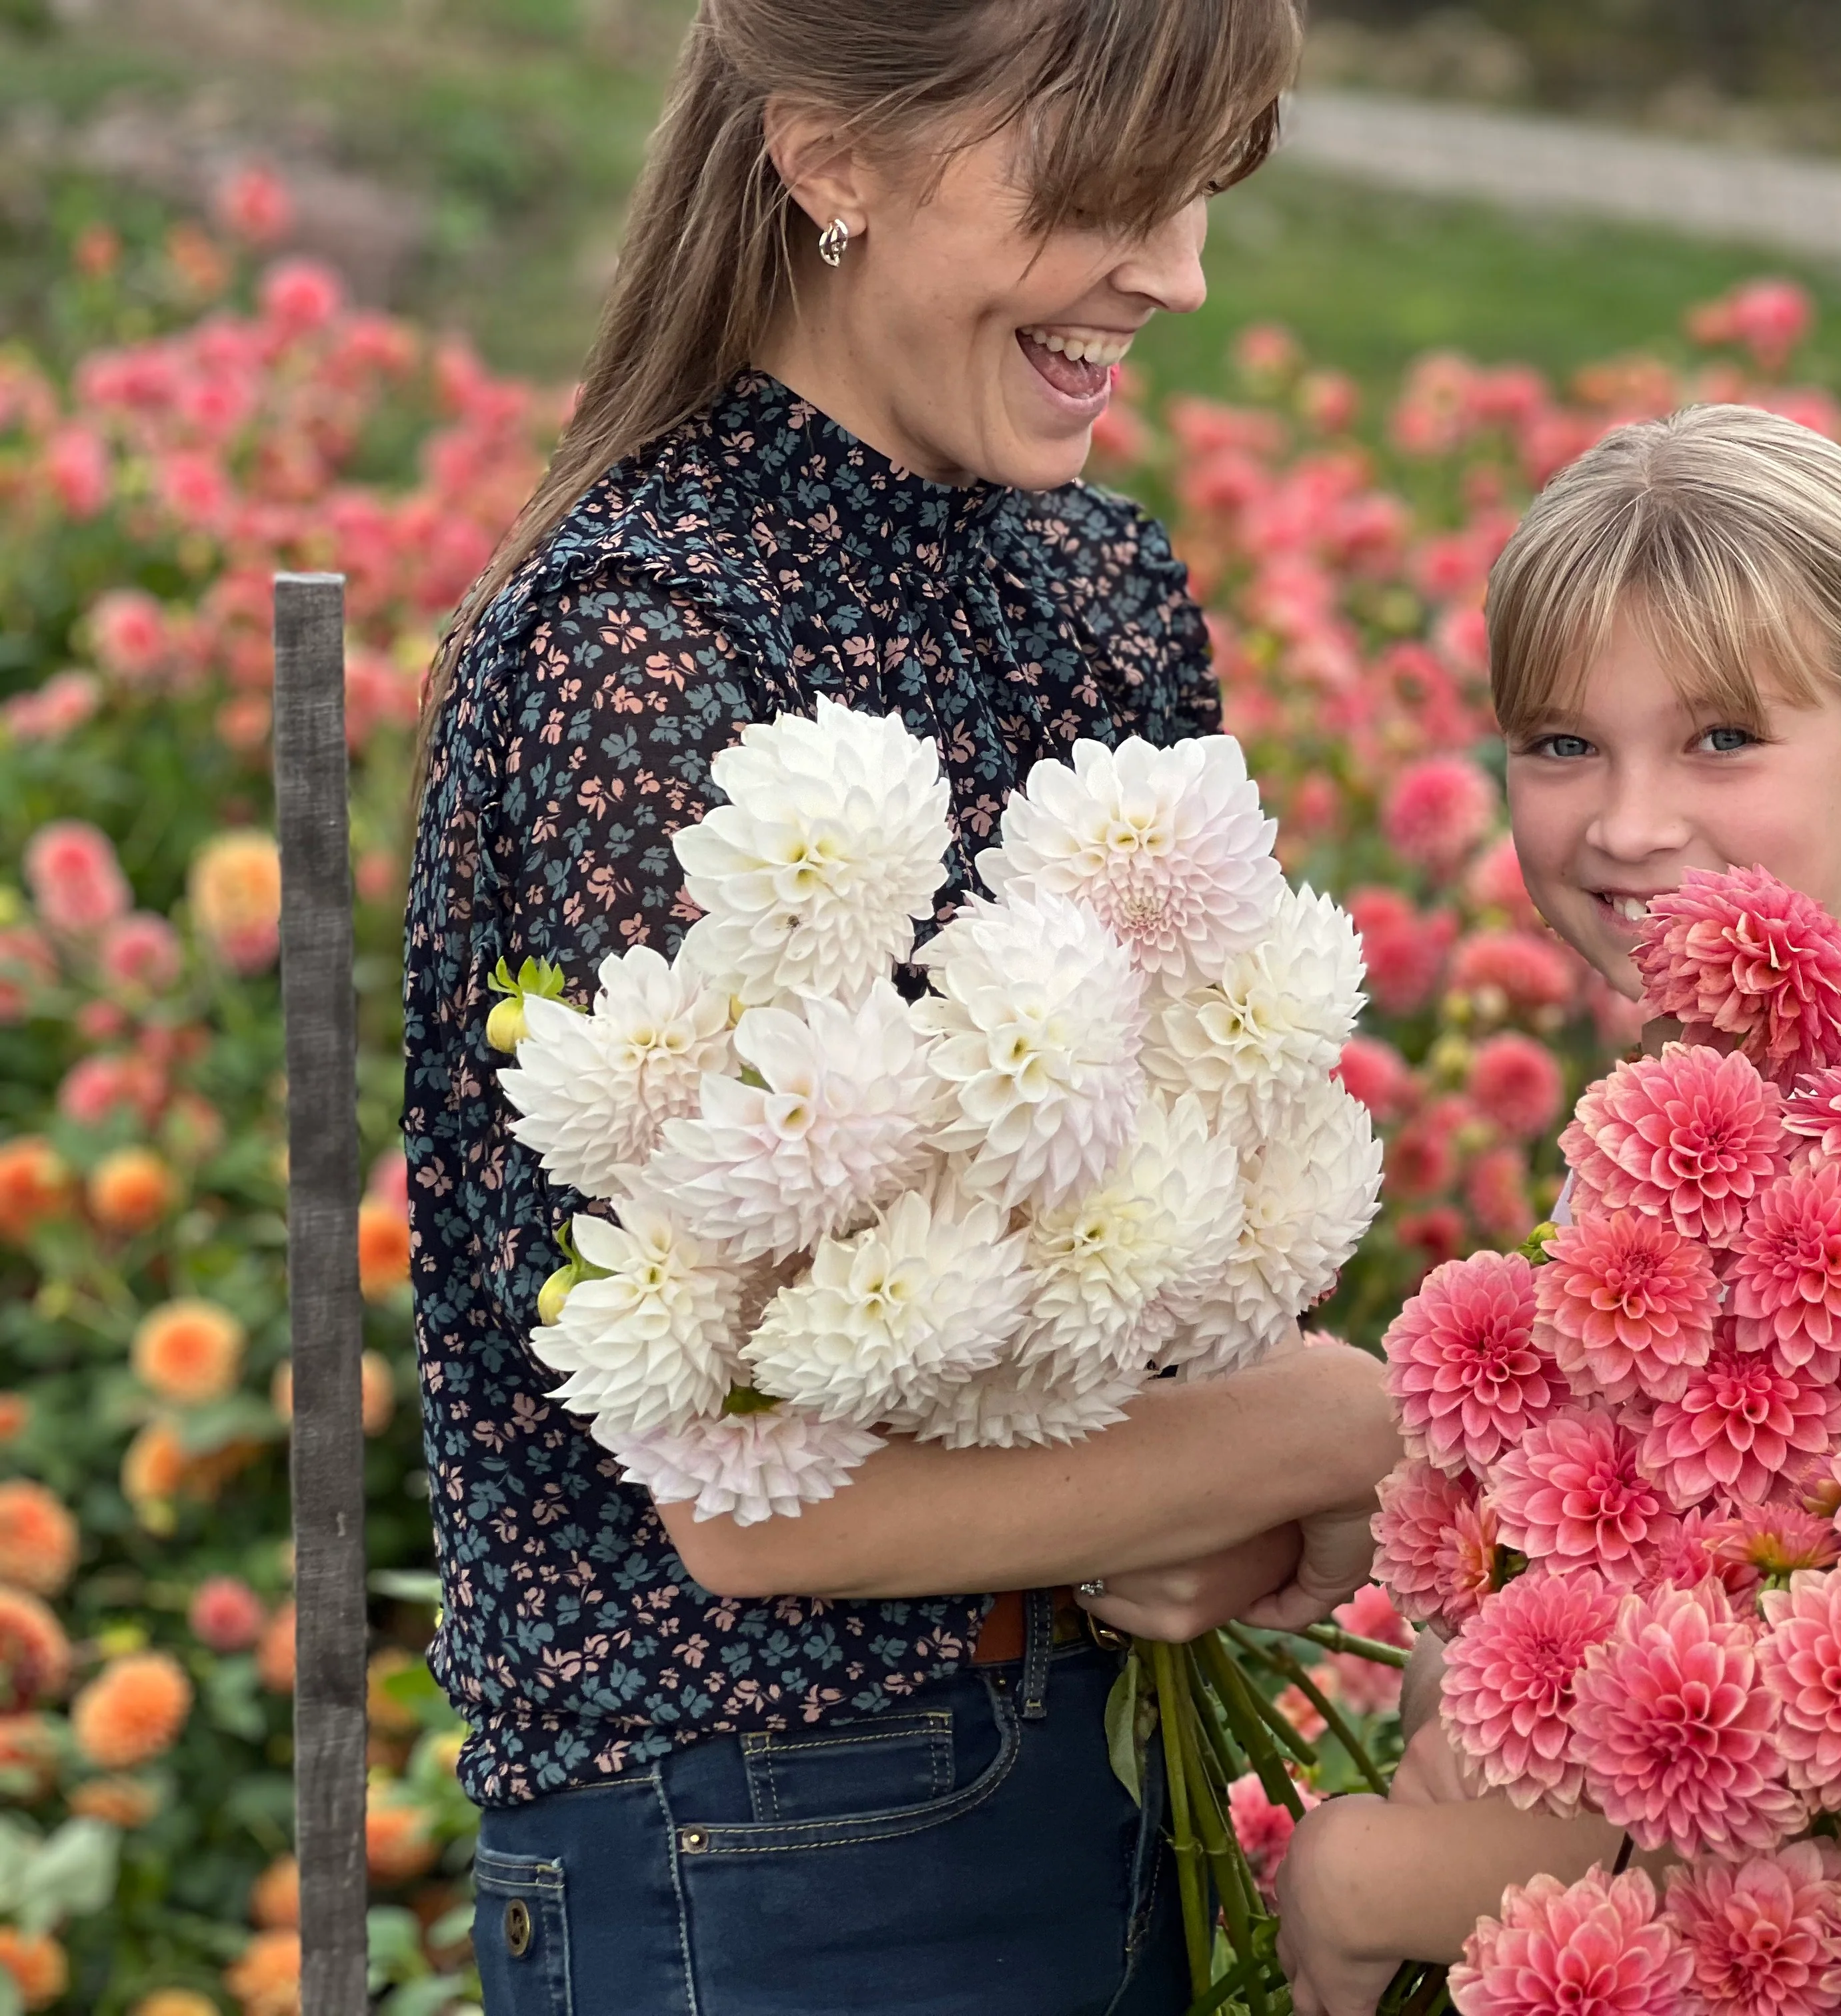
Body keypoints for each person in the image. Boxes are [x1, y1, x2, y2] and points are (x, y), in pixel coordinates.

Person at [399, 4, 1408, 2012]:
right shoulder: (644, 647)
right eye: (1107, 188)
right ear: (829, 157)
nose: (1176, 272)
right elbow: (741, 1500)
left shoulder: (1097, 590)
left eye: (1200, 190)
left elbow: (1145, 1326)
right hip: (753, 1843)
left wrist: (1207, 1510)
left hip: (1086, 1775)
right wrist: (1341, 1424)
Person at [1271, 403, 1841, 2015]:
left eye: (1721, 739)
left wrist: (1370, 1880)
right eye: (1562, 744)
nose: (1629, 823)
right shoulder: (1711, 1134)